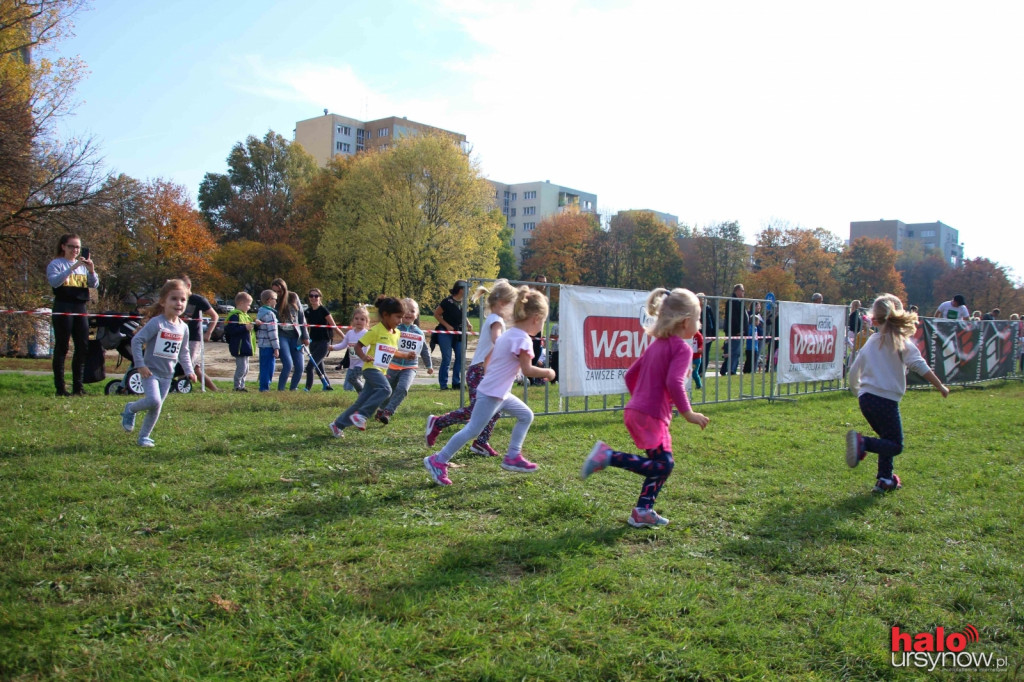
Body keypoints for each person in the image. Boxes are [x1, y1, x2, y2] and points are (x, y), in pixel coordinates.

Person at [580, 287, 710, 528]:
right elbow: (673, 382)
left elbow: (630, 376)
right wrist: (688, 413)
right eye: (698, 318)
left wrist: (642, 399)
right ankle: (608, 457)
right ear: (685, 322)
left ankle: (643, 510)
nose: (700, 324)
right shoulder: (681, 347)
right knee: (664, 465)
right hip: (650, 415)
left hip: (638, 411)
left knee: (662, 461)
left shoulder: (656, 345)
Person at [424, 286, 556, 486]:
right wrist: (549, 372)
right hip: (493, 393)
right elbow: (529, 370)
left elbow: (490, 356)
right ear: (536, 318)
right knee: (472, 430)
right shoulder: (522, 339)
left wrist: (499, 373)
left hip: (499, 392)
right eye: (543, 321)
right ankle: (438, 460)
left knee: (526, 415)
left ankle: (513, 456)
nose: (542, 326)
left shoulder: (509, 334)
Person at [846, 294, 949, 492]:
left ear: (874, 319)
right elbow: (919, 365)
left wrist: (857, 392)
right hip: (885, 400)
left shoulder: (871, 342)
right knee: (895, 445)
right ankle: (862, 443)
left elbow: (853, 370)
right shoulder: (901, 342)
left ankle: (885, 479)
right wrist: (940, 386)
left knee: (886, 437)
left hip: (866, 400)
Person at [426, 280, 517, 457]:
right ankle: (438, 423)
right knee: (478, 410)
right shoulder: (496, 320)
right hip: (480, 371)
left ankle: (481, 443)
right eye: (512, 305)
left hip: (487, 372)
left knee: (496, 408)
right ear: (502, 303)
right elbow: (497, 340)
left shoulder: (495, 319)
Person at [119, 279, 196, 447]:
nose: (179, 303)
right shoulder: (157, 323)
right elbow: (137, 341)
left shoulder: (183, 327)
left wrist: (190, 370)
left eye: (183, 300)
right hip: (150, 372)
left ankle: (144, 437)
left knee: (156, 407)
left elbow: (184, 352)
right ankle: (131, 408)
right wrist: (140, 364)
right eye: (174, 299)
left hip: (167, 375)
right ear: (163, 302)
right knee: (154, 401)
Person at [328, 297, 414, 437]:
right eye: (397, 317)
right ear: (386, 315)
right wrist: (363, 357)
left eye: (402, 317)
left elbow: (392, 351)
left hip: (381, 370)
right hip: (370, 368)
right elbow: (358, 346)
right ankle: (362, 415)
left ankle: (337, 425)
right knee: (386, 390)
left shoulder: (396, 333)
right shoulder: (375, 330)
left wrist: (405, 356)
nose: (400, 321)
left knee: (361, 401)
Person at [47, 233, 99, 396]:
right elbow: (55, 282)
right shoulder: (56, 264)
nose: (75, 250)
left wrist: (91, 271)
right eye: (72, 246)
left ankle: (78, 387)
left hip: (80, 307)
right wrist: (72, 268)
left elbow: (94, 285)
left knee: (83, 345)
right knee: (62, 346)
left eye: (78, 247)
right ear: (63, 246)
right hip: (63, 306)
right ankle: (60, 388)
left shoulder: (83, 265)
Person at [375, 298, 433, 424]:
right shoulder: (395, 329)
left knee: (402, 388)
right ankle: (381, 409)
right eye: (405, 310)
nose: (408, 313)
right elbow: (386, 344)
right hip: (392, 365)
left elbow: (424, 349)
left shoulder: (419, 333)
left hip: (410, 368)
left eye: (412, 311)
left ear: (416, 314)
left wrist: (429, 365)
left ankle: (388, 412)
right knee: (387, 390)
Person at [180, 275, 219, 392]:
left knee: (187, 364)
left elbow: (215, 316)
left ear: (188, 286)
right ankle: (214, 390)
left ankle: (180, 386)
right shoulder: (178, 299)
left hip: (194, 337)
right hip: (180, 335)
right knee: (196, 369)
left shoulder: (198, 300)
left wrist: (208, 332)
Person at [433, 281, 473, 390]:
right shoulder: (447, 301)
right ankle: (443, 385)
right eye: (467, 289)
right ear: (461, 289)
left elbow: (463, 314)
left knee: (460, 357)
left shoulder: (464, 302)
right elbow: (436, 314)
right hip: (445, 333)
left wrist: (468, 323)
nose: (469, 291)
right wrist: (447, 325)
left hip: (459, 332)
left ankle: (456, 382)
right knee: (447, 358)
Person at [304, 288, 338, 391]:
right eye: (311, 296)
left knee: (310, 367)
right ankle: (327, 386)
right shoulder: (308, 311)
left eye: (316, 296)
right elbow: (304, 327)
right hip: (313, 342)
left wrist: (345, 338)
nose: (313, 298)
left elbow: (334, 326)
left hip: (324, 342)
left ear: (320, 297)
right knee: (320, 369)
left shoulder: (323, 310)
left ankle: (307, 388)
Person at [331, 304, 370, 392]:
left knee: (353, 379)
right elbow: (343, 345)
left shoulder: (367, 333)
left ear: (367, 322)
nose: (359, 321)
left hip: (361, 364)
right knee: (347, 387)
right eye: (356, 318)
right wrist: (332, 347)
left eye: (362, 319)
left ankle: (364, 393)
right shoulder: (350, 333)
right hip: (352, 364)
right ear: (352, 320)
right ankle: (362, 395)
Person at [276, 291, 309, 391]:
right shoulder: (274, 299)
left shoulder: (293, 296)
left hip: (296, 336)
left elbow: (301, 317)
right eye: (275, 291)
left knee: (300, 366)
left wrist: (305, 335)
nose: (277, 293)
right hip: (282, 336)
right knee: (288, 364)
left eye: (278, 290)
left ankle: (293, 388)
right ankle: (281, 390)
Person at [224, 292, 256, 392]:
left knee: (246, 369)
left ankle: (242, 385)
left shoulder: (246, 316)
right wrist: (244, 327)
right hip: (239, 347)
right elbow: (232, 330)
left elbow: (251, 329)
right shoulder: (234, 316)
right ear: (241, 303)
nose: (249, 307)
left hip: (246, 346)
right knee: (241, 368)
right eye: (248, 304)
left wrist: (256, 325)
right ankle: (237, 386)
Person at [255, 290, 280, 392]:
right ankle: (264, 388)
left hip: (262, 344)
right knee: (269, 368)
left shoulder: (260, 312)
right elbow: (272, 332)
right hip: (269, 345)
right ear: (269, 300)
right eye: (275, 299)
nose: (276, 302)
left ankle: (263, 386)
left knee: (264, 366)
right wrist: (276, 347)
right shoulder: (270, 314)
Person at [722, 283, 747, 375]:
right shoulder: (732, 301)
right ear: (737, 290)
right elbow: (733, 318)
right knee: (734, 352)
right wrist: (738, 330)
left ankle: (726, 369)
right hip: (735, 331)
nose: (744, 292)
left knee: (736, 352)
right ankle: (731, 370)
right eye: (742, 290)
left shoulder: (740, 301)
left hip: (740, 332)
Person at [696, 293, 717, 379]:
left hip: (708, 334)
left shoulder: (708, 309)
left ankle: (702, 372)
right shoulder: (695, 309)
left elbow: (712, 321)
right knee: (698, 353)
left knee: (706, 354)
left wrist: (714, 334)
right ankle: (696, 371)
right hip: (698, 334)